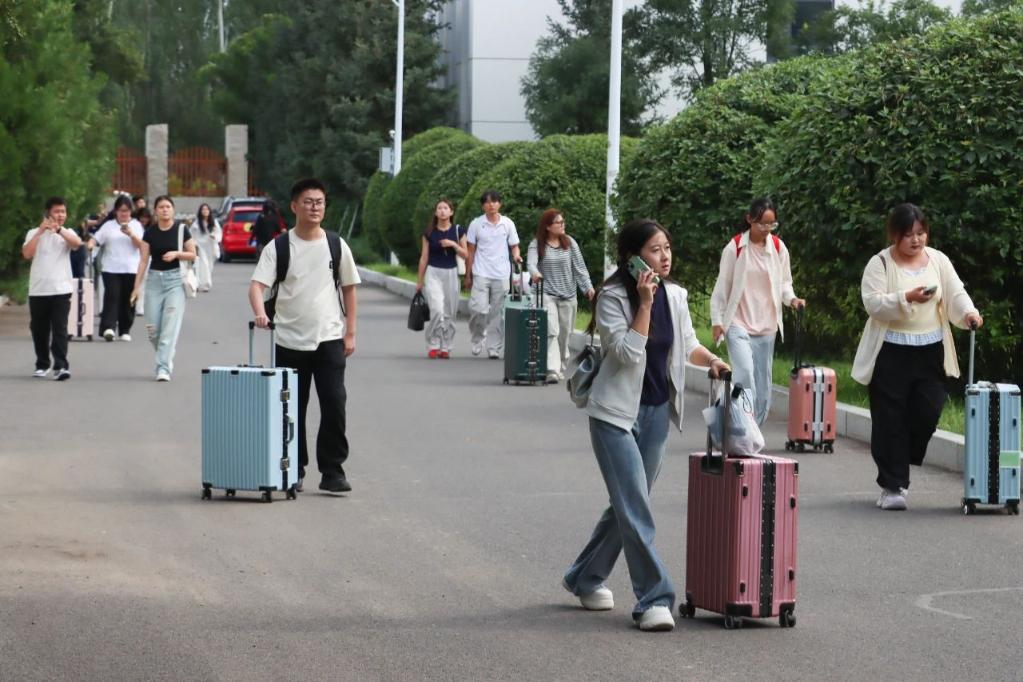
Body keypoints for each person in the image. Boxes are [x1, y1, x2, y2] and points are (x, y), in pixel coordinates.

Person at [562, 219, 730, 632]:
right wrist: (645, 304)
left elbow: (688, 344)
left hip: (656, 413)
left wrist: (712, 361)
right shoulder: (612, 298)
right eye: (655, 250)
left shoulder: (676, 296)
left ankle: (584, 577)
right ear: (633, 258)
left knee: (628, 503)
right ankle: (654, 597)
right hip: (614, 416)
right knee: (635, 504)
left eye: (667, 247)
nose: (665, 256)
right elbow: (625, 353)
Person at [852, 203, 982, 511]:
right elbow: (872, 303)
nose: (916, 240)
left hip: (930, 350)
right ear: (895, 235)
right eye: (909, 234)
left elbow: (955, 292)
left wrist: (969, 312)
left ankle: (901, 458)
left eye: (921, 233)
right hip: (890, 352)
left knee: (928, 410)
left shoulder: (938, 260)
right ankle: (892, 486)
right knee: (889, 418)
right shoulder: (880, 264)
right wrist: (906, 297)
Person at [249, 178, 361, 494]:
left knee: (335, 405)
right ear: (294, 206)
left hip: (329, 338)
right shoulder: (279, 247)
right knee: (292, 410)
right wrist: (259, 312)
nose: (315, 207)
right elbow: (257, 286)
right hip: (288, 341)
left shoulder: (336, 245)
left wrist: (350, 332)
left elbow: (349, 289)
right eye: (308, 202)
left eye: (319, 202)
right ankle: (293, 469)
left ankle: (333, 471)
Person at [710, 198, 805, 426]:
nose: (766, 229)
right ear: (749, 219)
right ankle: (741, 427)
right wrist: (717, 320)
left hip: (767, 327)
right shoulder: (735, 248)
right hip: (738, 323)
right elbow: (722, 286)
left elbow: (785, 283)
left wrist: (792, 299)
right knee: (744, 373)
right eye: (762, 223)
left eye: (771, 224)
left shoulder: (778, 248)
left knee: (763, 389)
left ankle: (752, 431)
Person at [129, 195, 197, 382]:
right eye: (161, 207)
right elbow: (143, 261)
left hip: (175, 281)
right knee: (153, 330)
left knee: (169, 327)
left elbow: (193, 254)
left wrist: (177, 254)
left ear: (173, 210)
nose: (165, 210)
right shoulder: (150, 232)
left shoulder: (181, 229)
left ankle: (163, 368)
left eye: (168, 206)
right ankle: (166, 354)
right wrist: (136, 287)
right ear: (156, 211)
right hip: (154, 281)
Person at [526, 208, 595, 383]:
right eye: (558, 222)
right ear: (548, 226)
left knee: (565, 335)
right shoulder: (537, 244)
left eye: (563, 222)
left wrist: (587, 288)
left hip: (568, 295)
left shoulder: (569, 243)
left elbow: (580, 268)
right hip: (546, 293)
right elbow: (531, 264)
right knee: (552, 331)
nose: (563, 225)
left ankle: (561, 364)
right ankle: (552, 370)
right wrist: (535, 273)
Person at [22, 197, 83, 380]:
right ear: (48, 213)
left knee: (60, 329)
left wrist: (59, 230)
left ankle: (61, 366)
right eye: (57, 211)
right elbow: (27, 254)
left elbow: (77, 244)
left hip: (61, 289)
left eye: (63, 211)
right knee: (39, 330)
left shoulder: (67, 232)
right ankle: (42, 364)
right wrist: (41, 231)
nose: (60, 215)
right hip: (39, 289)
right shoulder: (33, 232)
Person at [464, 190, 520, 359]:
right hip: (481, 272)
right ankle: (477, 338)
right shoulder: (476, 224)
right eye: (487, 202)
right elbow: (471, 251)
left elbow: (514, 246)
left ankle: (494, 347)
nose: (491, 205)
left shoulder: (507, 223)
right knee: (478, 309)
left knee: (498, 313)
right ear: (483, 206)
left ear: (499, 204)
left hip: (502, 274)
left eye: (494, 201)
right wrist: (468, 275)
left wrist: (516, 256)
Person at [415, 199, 467, 358]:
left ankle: (446, 346)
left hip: (451, 273)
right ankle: (433, 343)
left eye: (446, 208)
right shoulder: (429, 233)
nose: (443, 211)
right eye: (439, 208)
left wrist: (453, 245)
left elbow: (466, 254)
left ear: (451, 212)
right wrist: (419, 280)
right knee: (437, 310)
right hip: (433, 273)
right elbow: (424, 257)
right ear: (436, 212)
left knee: (450, 312)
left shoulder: (458, 231)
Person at [88, 194, 144, 342]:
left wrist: (131, 234)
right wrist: (91, 244)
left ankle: (125, 330)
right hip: (111, 268)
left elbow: (141, 246)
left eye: (126, 210)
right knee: (112, 296)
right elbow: (96, 238)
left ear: (131, 211)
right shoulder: (109, 225)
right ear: (116, 211)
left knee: (129, 299)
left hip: (131, 268)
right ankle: (109, 328)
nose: (124, 213)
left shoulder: (136, 225)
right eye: (121, 210)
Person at [191, 202, 222, 292]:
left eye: (207, 209)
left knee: (209, 266)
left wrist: (214, 236)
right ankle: (203, 284)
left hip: (211, 247)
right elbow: (191, 234)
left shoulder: (214, 222)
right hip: (200, 246)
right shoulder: (197, 223)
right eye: (203, 209)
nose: (205, 211)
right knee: (202, 265)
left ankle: (203, 283)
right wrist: (193, 244)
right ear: (200, 211)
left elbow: (218, 233)